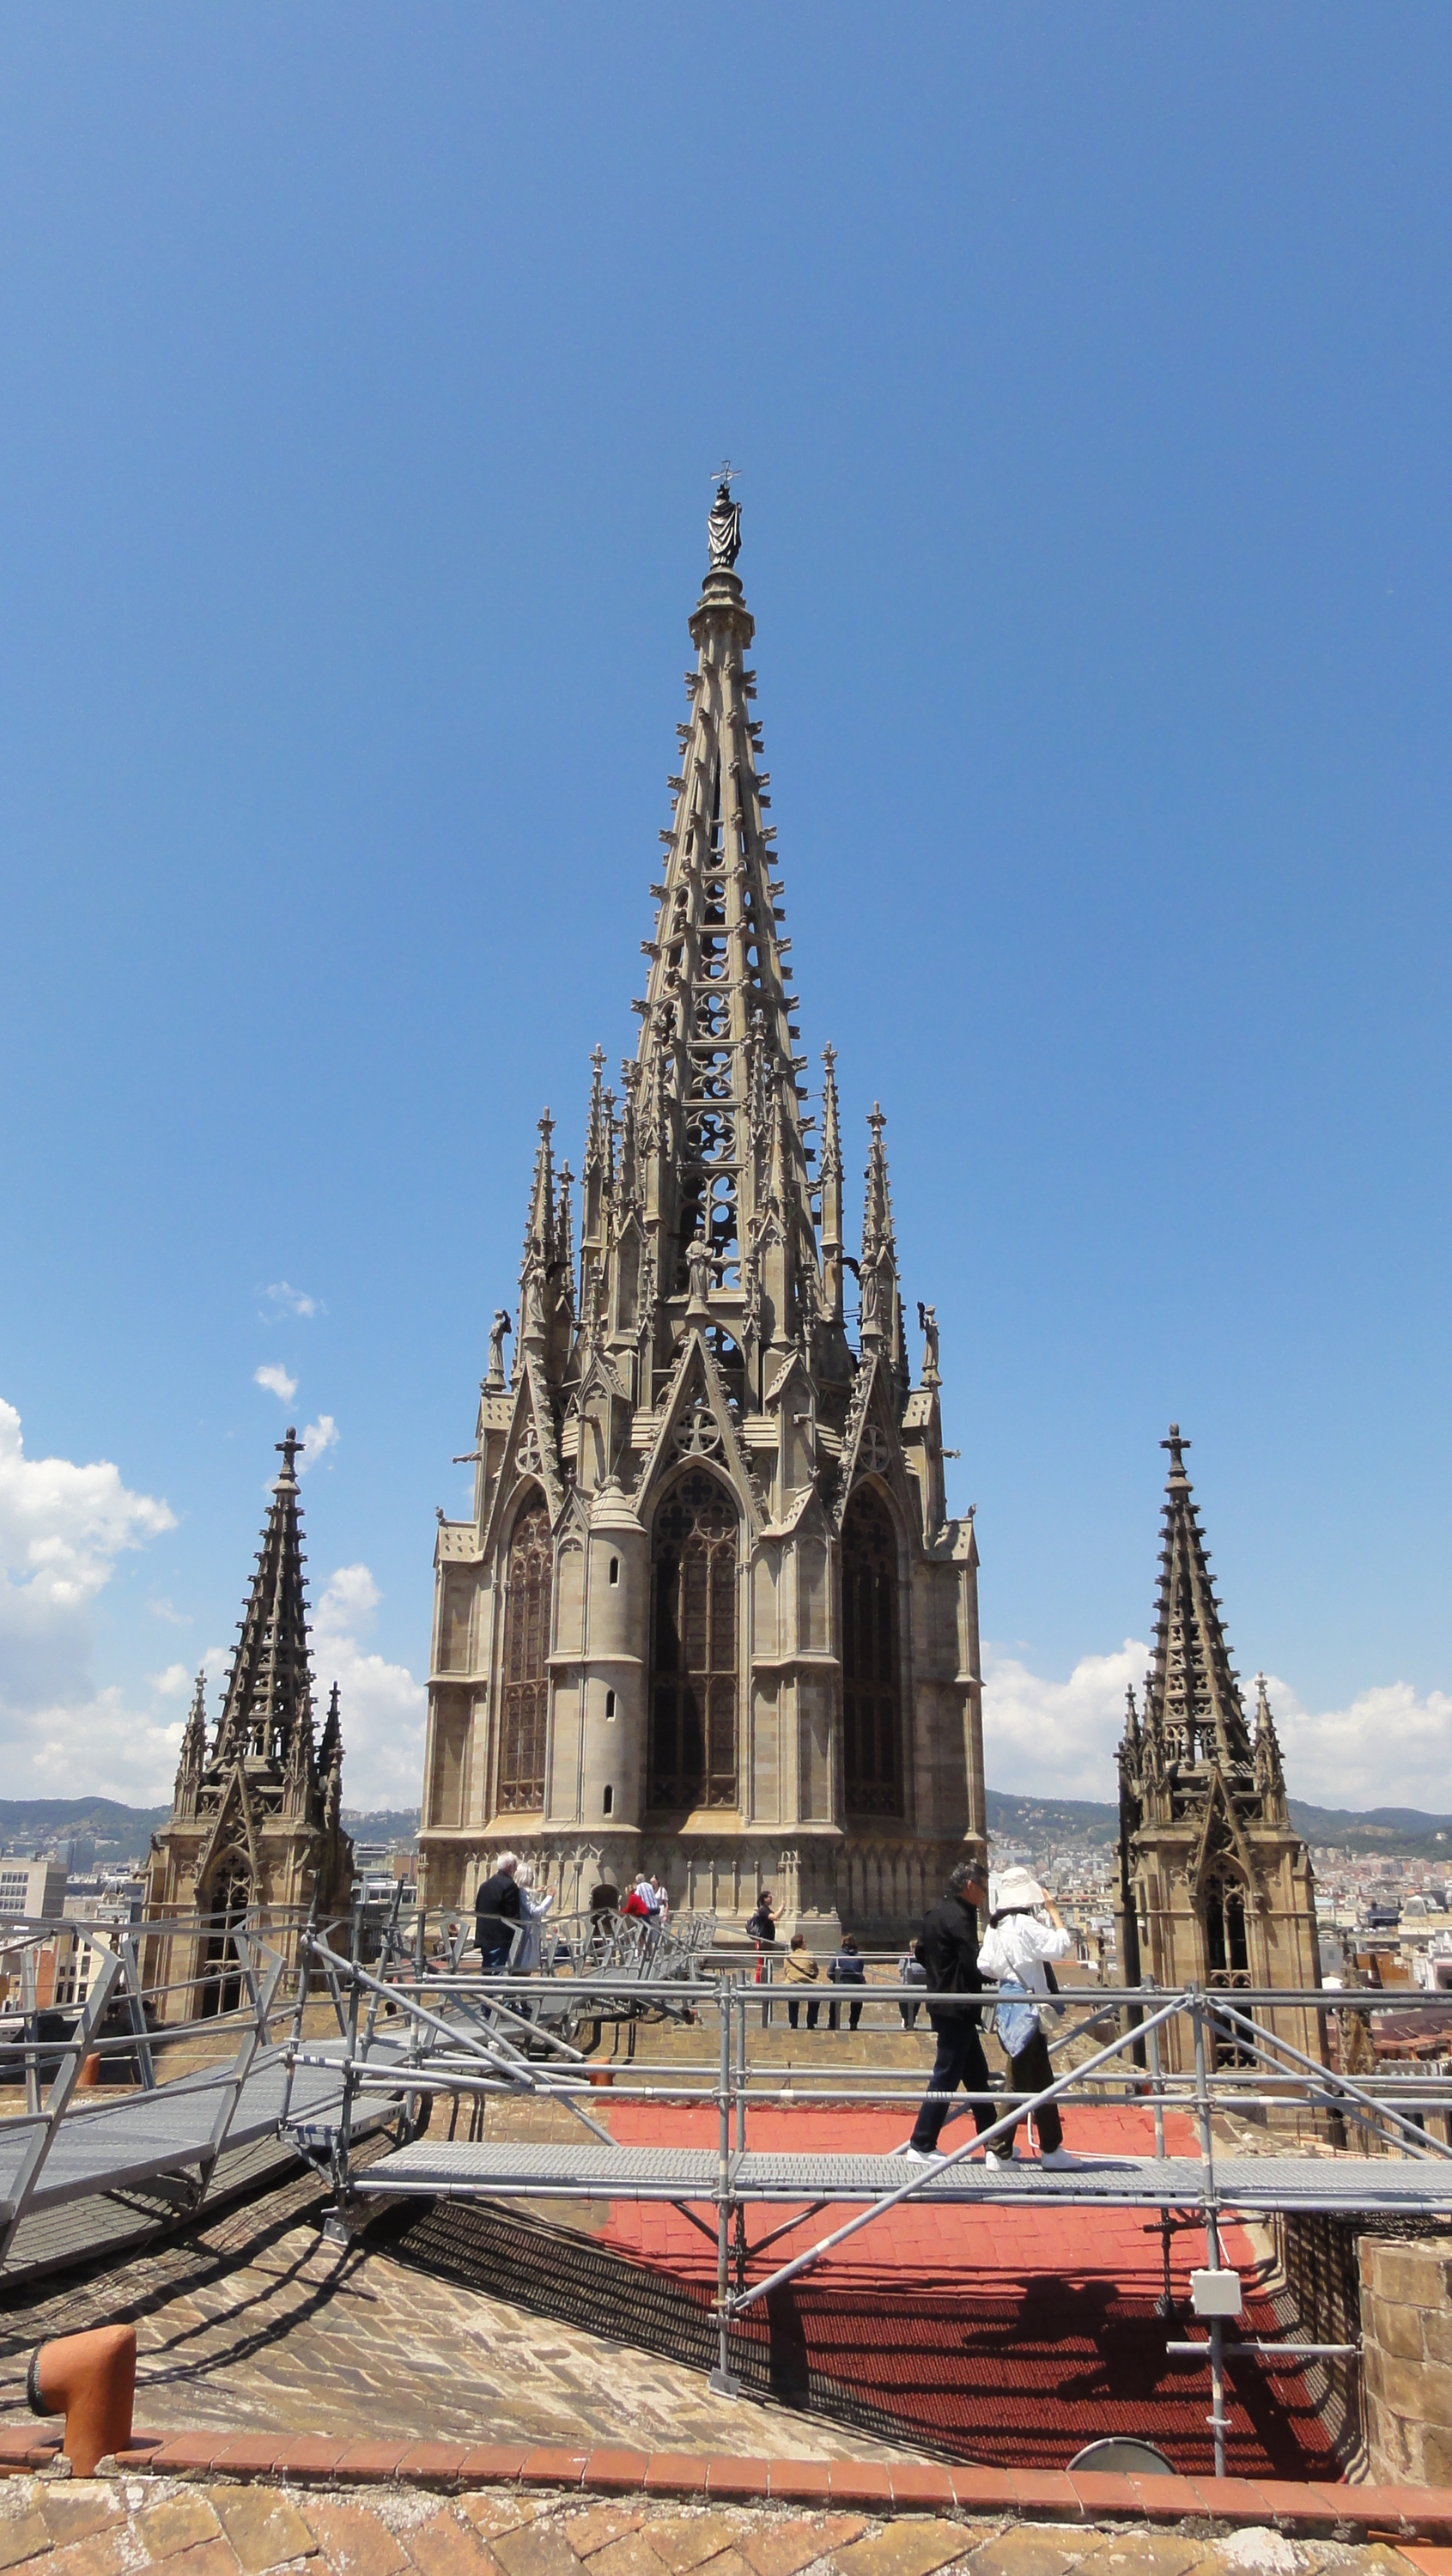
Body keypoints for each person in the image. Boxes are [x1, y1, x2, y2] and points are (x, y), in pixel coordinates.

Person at [975, 1866, 1076, 2166]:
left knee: (1041, 2079)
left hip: (1007, 2003)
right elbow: (1062, 1946)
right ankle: (998, 2149)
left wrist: (1009, 1975)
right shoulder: (1024, 1925)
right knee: (1018, 2081)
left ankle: (1051, 2148)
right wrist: (1054, 1912)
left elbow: (984, 1965)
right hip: (1029, 2007)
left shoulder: (995, 1927)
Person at [901, 1860, 999, 2162]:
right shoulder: (962, 1917)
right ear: (969, 1886)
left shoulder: (935, 1915)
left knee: (978, 2079)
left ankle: (995, 2144)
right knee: (945, 2076)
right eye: (982, 1888)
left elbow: (920, 1952)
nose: (984, 1895)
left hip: (943, 2004)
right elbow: (973, 1963)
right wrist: (1000, 1974)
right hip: (959, 2006)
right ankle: (921, 2143)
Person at [474, 1852, 521, 1974]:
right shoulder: (510, 1886)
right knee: (499, 1976)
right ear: (509, 1867)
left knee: (487, 1973)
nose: (515, 1871)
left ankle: (483, 1993)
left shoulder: (484, 1885)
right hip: (501, 1940)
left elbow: (478, 1908)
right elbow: (513, 1917)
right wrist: (518, 1940)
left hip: (485, 1937)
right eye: (515, 1867)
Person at [510, 1862, 556, 1976]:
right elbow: (537, 1911)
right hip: (527, 1936)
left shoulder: (523, 1892)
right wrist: (550, 1897)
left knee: (525, 1968)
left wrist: (536, 1891)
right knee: (523, 1968)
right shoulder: (523, 1893)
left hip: (530, 1935)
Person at [828, 1932, 866, 2032]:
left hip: (841, 1984)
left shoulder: (838, 1955)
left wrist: (836, 1979)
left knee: (834, 2000)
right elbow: (860, 1970)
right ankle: (853, 2022)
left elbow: (829, 1972)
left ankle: (832, 2023)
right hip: (856, 1985)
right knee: (857, 2000)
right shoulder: (858, 1956)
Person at [782, 1932, 820, 2031]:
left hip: (792, 1985)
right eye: (804, 1942)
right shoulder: (810, 1955)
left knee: (793, 1996)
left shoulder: (787, 1958)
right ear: (801, 1945)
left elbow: (786, 1972)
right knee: (816, 1993)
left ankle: (793, 2022)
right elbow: (816, 1971)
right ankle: (811, 2022)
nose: (805, 1944)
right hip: (809, 1985)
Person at [897, 1938, 928, 2030]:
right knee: (912, 2001)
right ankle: (908, 2019)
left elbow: (901, 1969)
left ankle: (908, 2018)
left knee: (905, 2000)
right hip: (917, 1985)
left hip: (911, 1985)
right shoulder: (923, 1958)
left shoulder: (908, 1957)